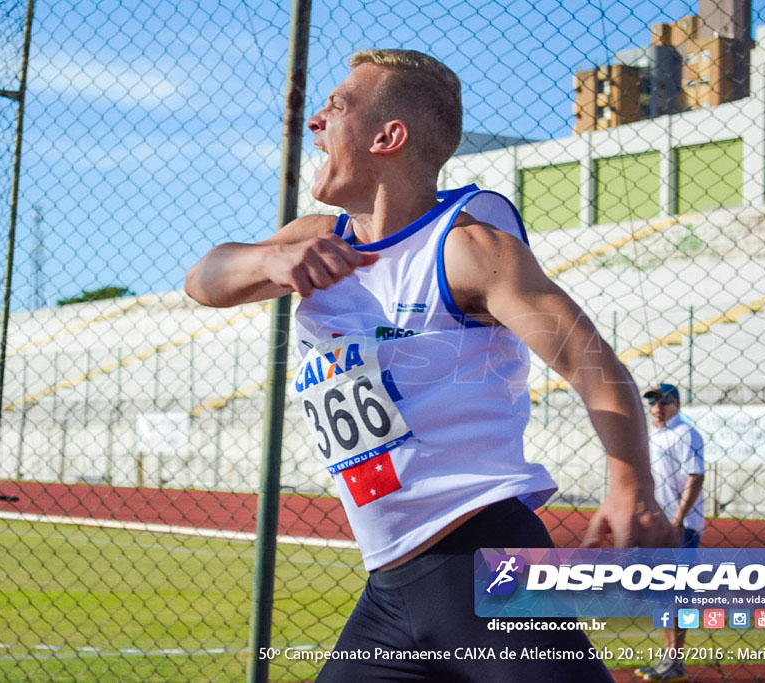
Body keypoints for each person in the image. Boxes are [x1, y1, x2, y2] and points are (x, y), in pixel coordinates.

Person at [185, 48, 673, 681]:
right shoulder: (315, 236)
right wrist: (268, 262)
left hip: (481, 557)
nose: (315, 121)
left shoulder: (466, 248)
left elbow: (588, 360)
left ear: (390, 136)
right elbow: (204, 278)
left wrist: (630, 481)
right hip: (391, 586)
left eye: (336, 106)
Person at [635, 383, 705, 682]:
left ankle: (676, 660)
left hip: (681, 527)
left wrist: (678, 518)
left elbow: (696, 476)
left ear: (676, 404)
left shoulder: (686, 433)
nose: (657, 407)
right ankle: (668, 657)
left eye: (663, 401)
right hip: (660, 527)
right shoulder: (657, 437)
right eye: (652, 401)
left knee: (679, 594)